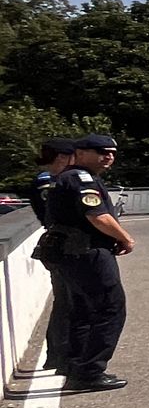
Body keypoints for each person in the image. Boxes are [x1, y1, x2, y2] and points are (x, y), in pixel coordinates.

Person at [42, 134, 135, 393]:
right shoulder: (81, 179)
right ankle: (90, 371)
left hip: (71, 252)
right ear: (80, 153)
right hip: (86, 251)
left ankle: (74, 366)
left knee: (81, 310)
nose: (109, 157)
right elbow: (97, 216)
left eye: (112, 153)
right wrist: (125, 238)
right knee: (110, 308)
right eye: (101, 152)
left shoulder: (70, 177)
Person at [27, 138, 75, 378]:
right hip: (64, 245)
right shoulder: (48, 182)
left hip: (58, 244)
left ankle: (58, 355)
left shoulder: (47, 180)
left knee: (65, 301)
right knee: (68, 302)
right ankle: (60, 356)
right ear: (62, 157)